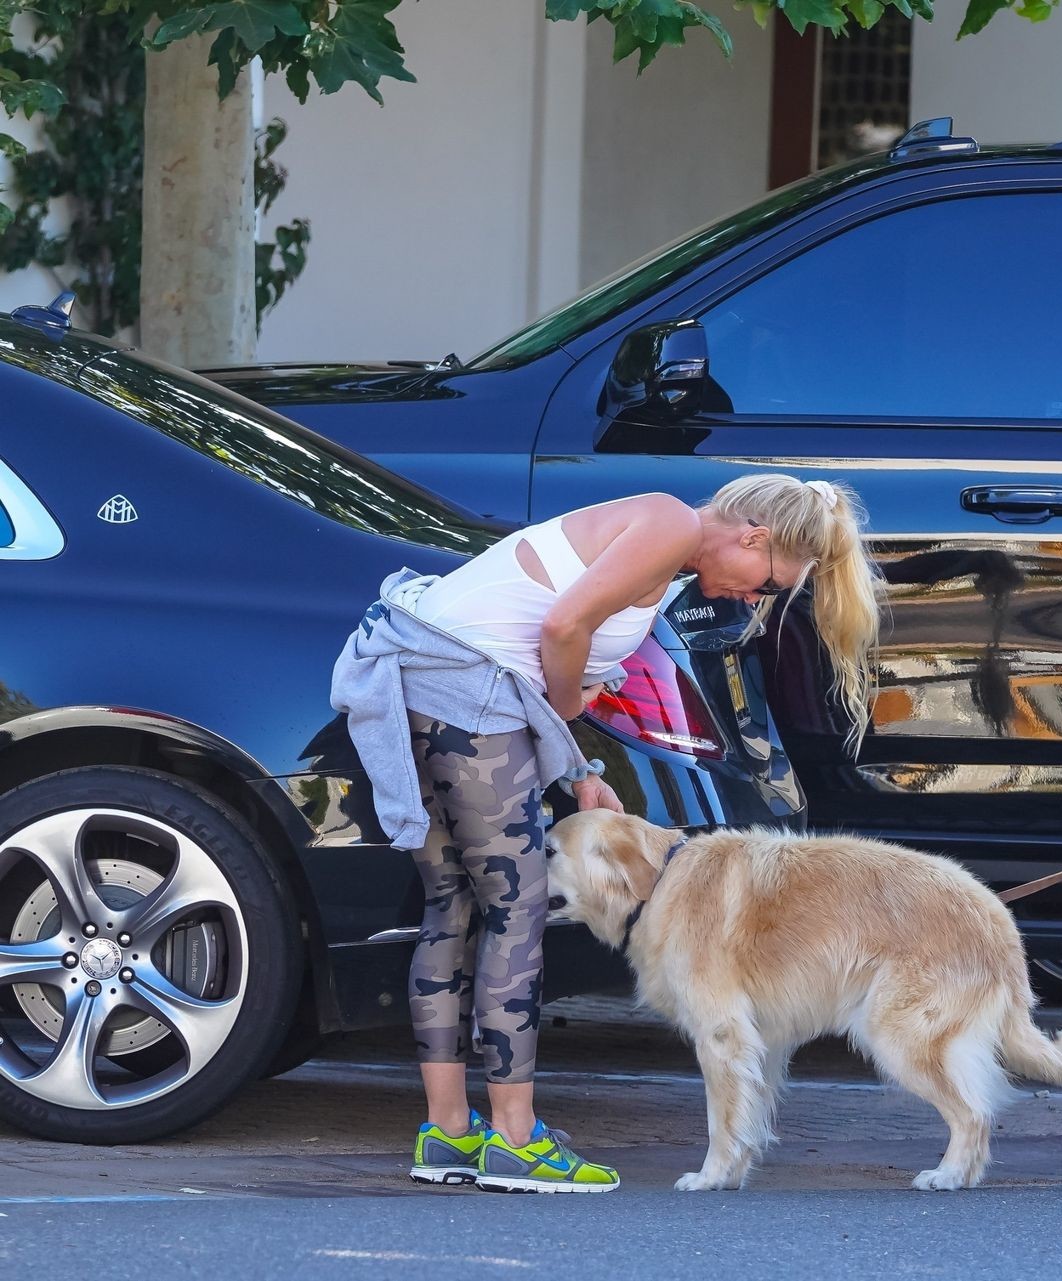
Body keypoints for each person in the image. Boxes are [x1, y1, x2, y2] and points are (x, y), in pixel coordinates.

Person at [330, 474, 880, 1191]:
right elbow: (562, 630)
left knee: (452, 907)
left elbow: (536, 643)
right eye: (769, 584)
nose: (754, 600)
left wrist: (578, 768)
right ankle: (515, 1141)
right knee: (517, 911)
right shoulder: (672, 525)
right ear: (754, 536)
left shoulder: (658, 535)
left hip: (424, 689)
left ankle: (449, 1133)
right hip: (470, 703)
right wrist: (565, 723)